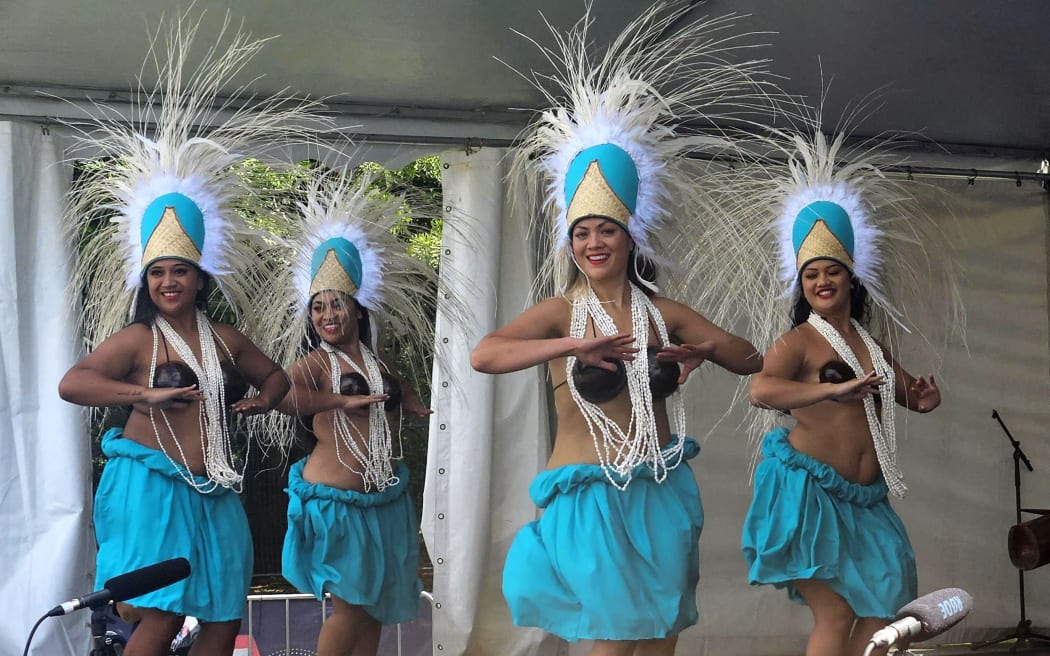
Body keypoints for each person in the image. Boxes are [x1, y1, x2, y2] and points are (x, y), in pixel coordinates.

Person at [469, 7, 774, 654]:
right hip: (590, 496)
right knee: (613, 641)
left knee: (661, 639)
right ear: (570, 243)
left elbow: (752, 359)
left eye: (605, 229)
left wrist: (706, 350)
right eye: (581, 232)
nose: (593, 242)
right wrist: (574, 345)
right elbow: (486, 354)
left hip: (660, 489)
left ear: (630, 235)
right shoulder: (559, 311)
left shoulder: (662, 311)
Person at [56, 14, 324, 656]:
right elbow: (73, 383)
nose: (169, 282)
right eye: (158, 273)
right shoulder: (137, 340)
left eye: (180, 271)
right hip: (152, 485)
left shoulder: (226, 339)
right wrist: (140, 397)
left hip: (215, 487)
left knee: (226, 615)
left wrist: (262, 401)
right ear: (145, 280)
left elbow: (276, 376)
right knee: (157, 616)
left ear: (200, 278)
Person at [741, 126, 958, 656]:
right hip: (810, 494)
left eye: (831, 271)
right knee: (836, 611)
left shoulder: (869, 341)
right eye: (811, 273)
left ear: (850, 277)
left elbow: (905, 392)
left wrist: (923, 398)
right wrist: (826, 393)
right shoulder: (800, 341)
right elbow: (761, 391)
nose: (821, 281)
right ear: (802, 283)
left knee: (887, 607)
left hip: (866, 500)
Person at [262, 170, 436, 656]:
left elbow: (394, 387)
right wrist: (340, 401)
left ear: (358, 309)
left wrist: (414, 401)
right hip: (336, 507)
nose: (328, 316)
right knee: (352, 609)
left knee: (374, 611)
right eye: (318, 308)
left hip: (383, 505)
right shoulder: (313, 365)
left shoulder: (377, 364)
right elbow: (282, 396)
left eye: (337, 305)